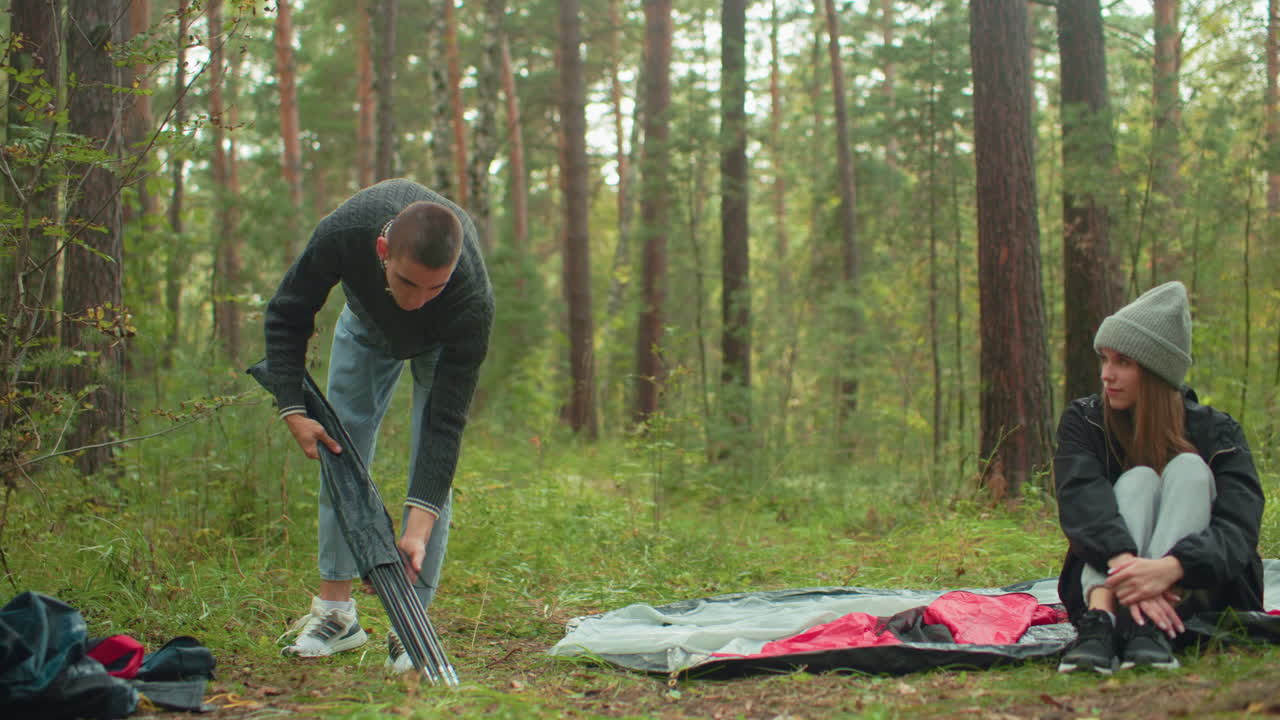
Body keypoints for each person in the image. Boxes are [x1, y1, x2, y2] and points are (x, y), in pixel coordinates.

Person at [257, 178, 493, 673]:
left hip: (442, 342)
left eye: (436, 286)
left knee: (430, 480)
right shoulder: (345, 231)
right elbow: (287, 312)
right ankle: (336, 614)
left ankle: (412, 626)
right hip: (365, 325)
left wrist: (417, 531)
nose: (417, 299)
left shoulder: (470, 299)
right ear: (382, 250)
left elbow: (443, 428)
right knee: (340, 448)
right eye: (408, 282)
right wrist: (291, 407)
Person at [1053, 280, 1264, 674]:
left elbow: (1239, 527)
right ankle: (1102, 623)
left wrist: (1170, 568)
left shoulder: (1219, 434)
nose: (1106, 375)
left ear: (1155, 372)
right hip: (1105, 593)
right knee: (1138, 480)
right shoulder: (1085, 422)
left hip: (1201, 592)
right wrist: (1127, 567)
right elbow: (1081, 498)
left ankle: (1152, 623)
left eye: (1123, 362)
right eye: (1104, 359)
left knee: (1188, 469)